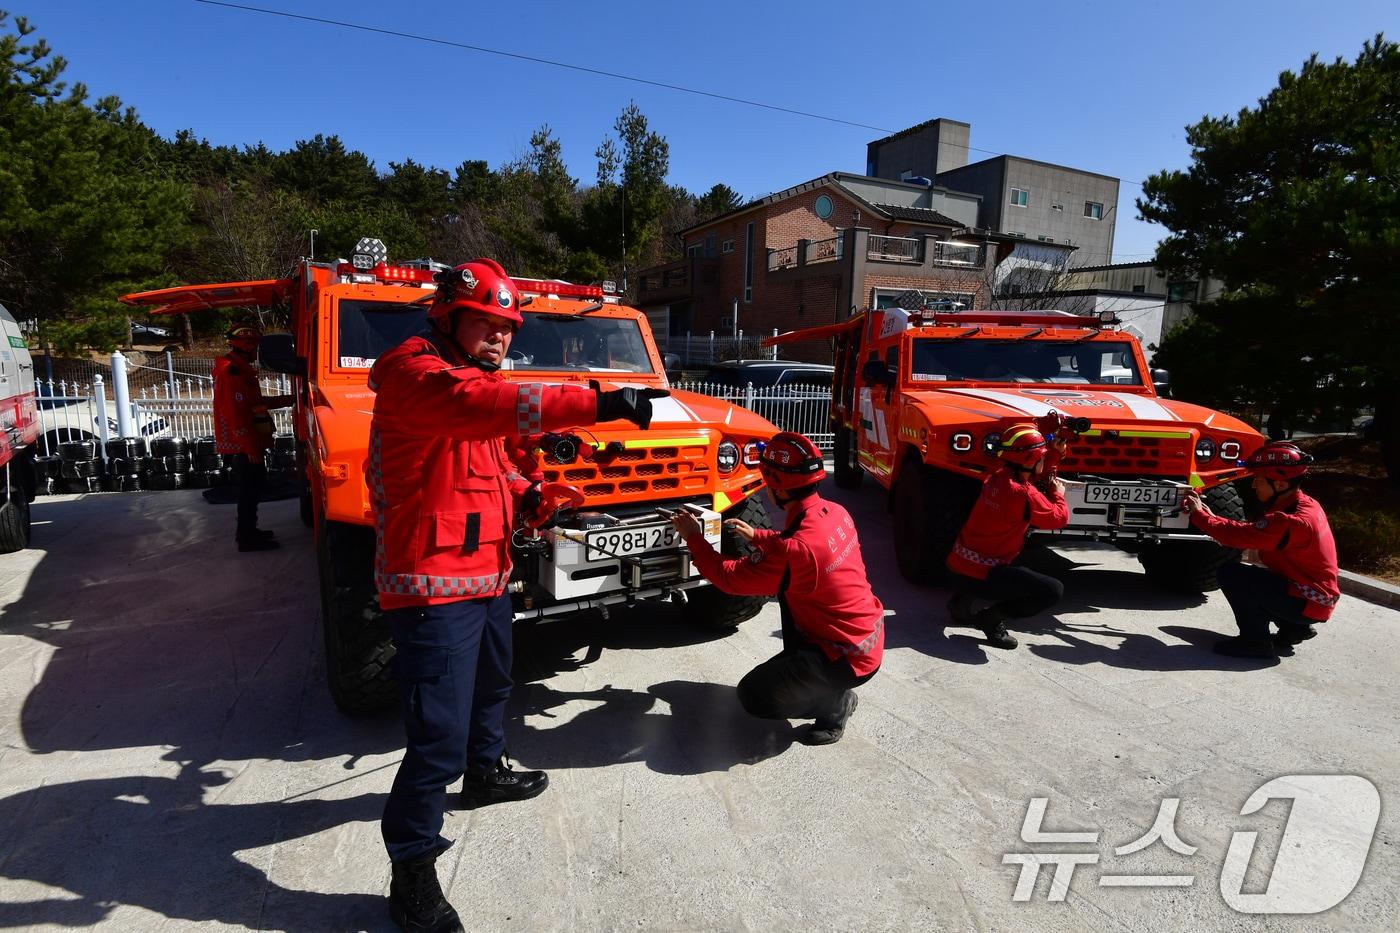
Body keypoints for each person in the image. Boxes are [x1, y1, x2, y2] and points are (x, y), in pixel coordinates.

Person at [368, 258, 666, 933]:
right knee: (433, 739)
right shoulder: (418, 375)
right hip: (430, 584)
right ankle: (411, 872)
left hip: (485, 574)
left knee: (495, 686)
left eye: (508, 328)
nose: (501, 338)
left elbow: (491, 462)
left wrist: (531, 491)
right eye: (488, 324)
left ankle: (484, 771)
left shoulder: (468, 379)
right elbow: (486, 409)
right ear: (449, 317)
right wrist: (599, 400)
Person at [669, 431, 884, 746]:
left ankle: (836, 704)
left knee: (754, 695)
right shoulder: (835, 513)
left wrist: (693, 537)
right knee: (792, 622)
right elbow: (796, 544)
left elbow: (725, 577)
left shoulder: (793, 553)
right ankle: (826, 685)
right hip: (868, 637)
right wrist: (756, 535)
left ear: (777, 486)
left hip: (847, 657)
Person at [1184, 440, 1339, 659]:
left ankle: (1255, 643)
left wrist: (1200, 516)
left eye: (1258, 479)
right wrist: (1211, 517)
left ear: (1281, 485)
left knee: (1233, 574)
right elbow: (1251, 530)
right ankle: (1293, 629)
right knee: (1261, 579)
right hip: (1313, 597)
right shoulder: (1305, 504)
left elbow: (1236, 536)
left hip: (1308, 601)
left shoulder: (1292, 521)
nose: (1254, 485)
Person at [945, 424, 1070, 649]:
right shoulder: (1025, 494)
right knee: (1053, 590)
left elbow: (1027, 477)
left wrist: (1051, 456)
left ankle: (961, 601)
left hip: (957, 567)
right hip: (988, 575)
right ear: (1031, 460)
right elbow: (1059, 518)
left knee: (1002, 551)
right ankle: (992, 618)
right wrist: (1057, 494)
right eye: (1041, 456)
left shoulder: (996, 477)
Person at [212, 323, 294, 552]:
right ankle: (247, 537)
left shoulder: (241, 371)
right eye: (255, 347)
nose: (257, 353)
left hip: (249, 443)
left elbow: (255, 404)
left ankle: (250, 531)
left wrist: (288, 399)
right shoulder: (232, 373)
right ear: (246, 346)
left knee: (254, 487)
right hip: (244, 446)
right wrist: (249, 448)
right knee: (249, 490)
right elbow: (236, 414)